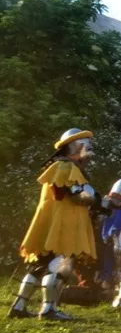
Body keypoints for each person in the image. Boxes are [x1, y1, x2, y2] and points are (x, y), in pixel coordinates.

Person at [10, 129, 101, 321]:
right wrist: (97, 199)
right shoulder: (65, 167)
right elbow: (79, 195)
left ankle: (19, 306)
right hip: (61, 223)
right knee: (59, 265)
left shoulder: (62, 166)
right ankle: (48, 309)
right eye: (87, 144)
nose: (90, 148)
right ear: (75, 146)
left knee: (39, 265)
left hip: (54, 221)